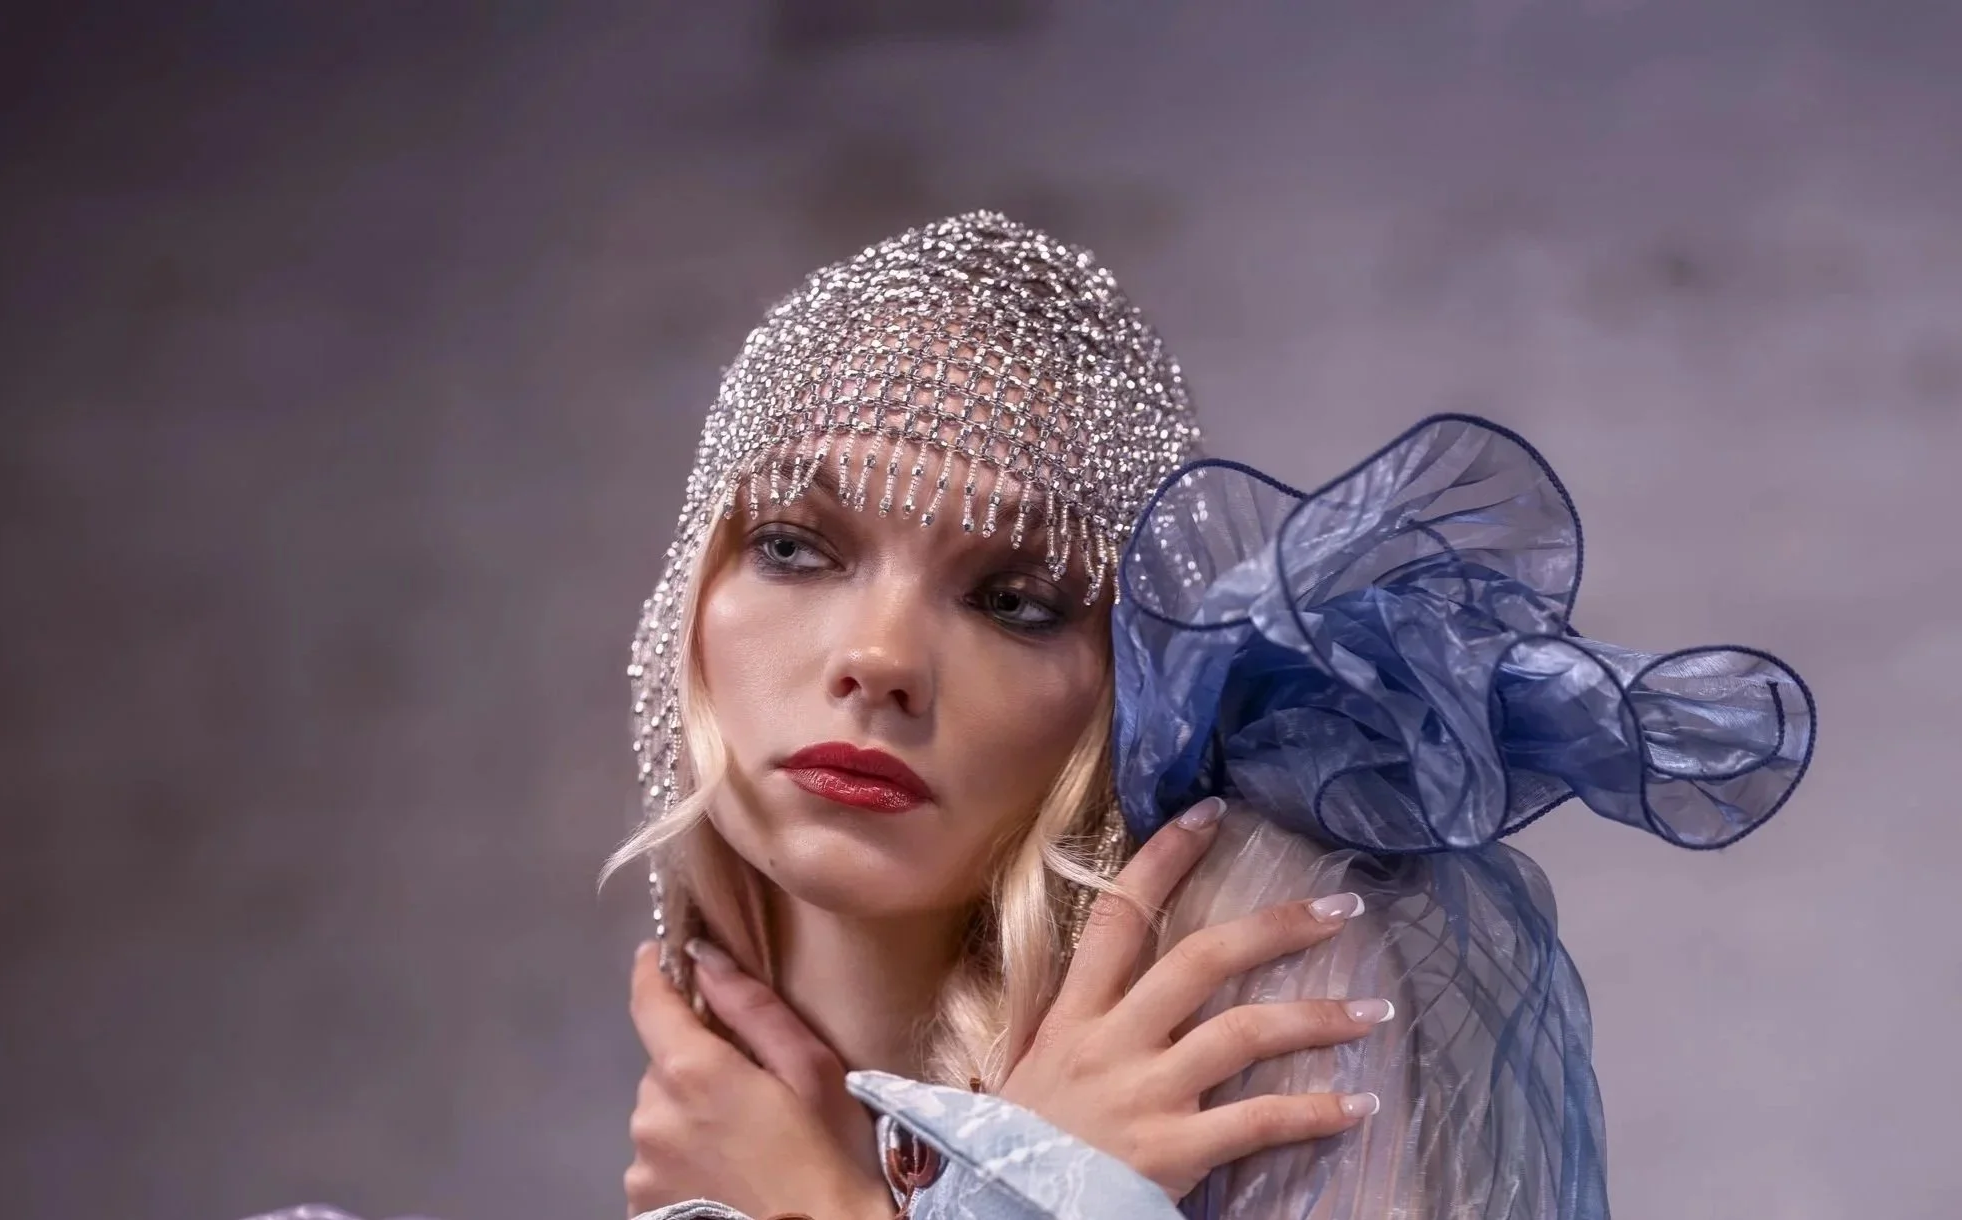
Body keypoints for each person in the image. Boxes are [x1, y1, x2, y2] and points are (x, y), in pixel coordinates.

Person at [608, 212, 1815, 1220]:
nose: (878, 659)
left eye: (1015, 601)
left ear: (1117, 677)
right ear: (691, 589)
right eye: (791, 545)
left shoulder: (1235, 965)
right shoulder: (716, 1104)